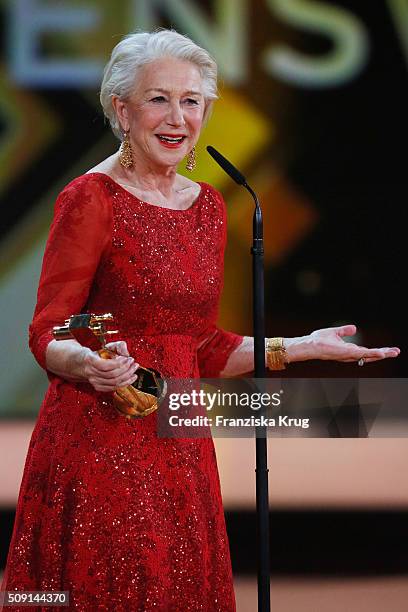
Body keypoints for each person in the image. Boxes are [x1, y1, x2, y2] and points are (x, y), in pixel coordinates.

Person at [1, 29, 400, 612]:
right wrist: (88, 362)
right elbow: (48, 331)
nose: (177, 116)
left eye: (192, 101)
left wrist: (301, 347)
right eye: (158, 98)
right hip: (99, 441)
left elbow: (203, 347)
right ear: (122, 109)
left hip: (180, 448)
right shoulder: (91, 199)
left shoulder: (209, 208)